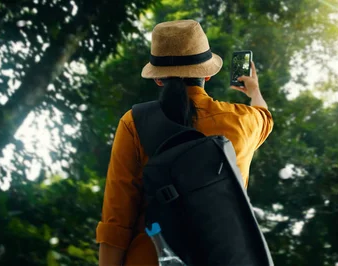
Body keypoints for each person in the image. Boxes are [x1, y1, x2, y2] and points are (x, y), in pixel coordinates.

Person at [96, 20, 273, 266]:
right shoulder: (244, 121)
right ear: (207, 74)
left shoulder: (134, 122)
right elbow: (265, 116)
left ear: (158, 79)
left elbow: (117, 219)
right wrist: (254, 91)